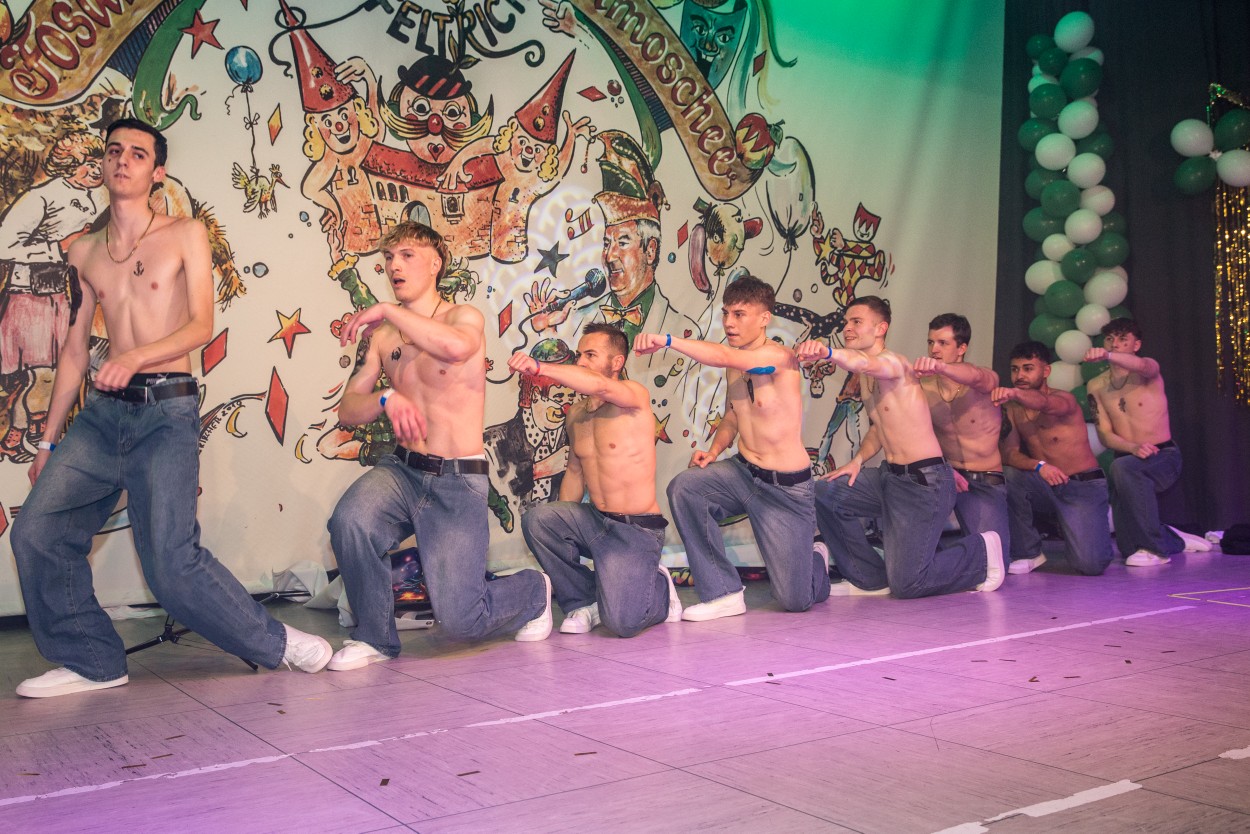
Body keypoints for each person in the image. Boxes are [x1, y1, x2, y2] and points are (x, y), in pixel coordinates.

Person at [11, 119, 332, 698]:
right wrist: (48, 441)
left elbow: (201, 325)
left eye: (138, 154)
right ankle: (92, 661)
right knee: (37, 530)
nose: (122, 160)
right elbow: (74, 351)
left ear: (157, 172)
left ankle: (278, 642)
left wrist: (134, 358)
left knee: (170, 564)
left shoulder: (185, 233)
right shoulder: (83, 251)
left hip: (165, 410)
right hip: (101, 417)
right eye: (114, 151)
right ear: (102, 165)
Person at [326, 221, 550, 671]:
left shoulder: (462, 317)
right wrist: (384, 398)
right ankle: (374, 637)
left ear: (435, 263)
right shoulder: (383, 338)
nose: (394, 265)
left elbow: (455, 348)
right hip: (402, 470)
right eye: (389, 258)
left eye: (407, 255)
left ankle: (533, 591)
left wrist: (386, 310)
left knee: (461, 620)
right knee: (350, 521)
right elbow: (348, 410)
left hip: (456, 480)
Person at [637, 275, 830, 621]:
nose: (728, 322)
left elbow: (722, 355)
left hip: (785, 489)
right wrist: (713, 451)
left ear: (765, 318)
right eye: (726, 313)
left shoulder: (778, 356)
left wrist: (668, 340)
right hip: (744, 472)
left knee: (795, 600)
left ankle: (814, 558)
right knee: (685, 488)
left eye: (739, 314)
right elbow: (732, 415)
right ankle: (723, 592)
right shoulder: (736, 364)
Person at [797, 296, 1003, 598]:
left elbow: (864, 361)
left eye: (856, 322)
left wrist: (827, 352)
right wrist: (857, 460)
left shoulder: (894, 363)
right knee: (826, 492)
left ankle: (981, 553)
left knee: (908, 584)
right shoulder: (866, 376)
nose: (847, 328)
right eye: (846, 322)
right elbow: (879, 429)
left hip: (924, 482)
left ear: (881, 328)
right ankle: (870, 579)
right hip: (890, 477)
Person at [510, 322, 681, 637]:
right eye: (579, 355)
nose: (581, 362)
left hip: (636, 530)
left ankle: (658, 587)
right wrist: (562, 525)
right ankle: (584, 601)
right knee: (539, 519)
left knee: (622, 623)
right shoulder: (577, 414)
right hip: (596, 521)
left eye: (590, 355)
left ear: (617, 362)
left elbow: (601, 386)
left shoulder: (633, 396)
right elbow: (575, 473)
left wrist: (539, 367)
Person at [1085, 318, 1208, 565]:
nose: (1115, 344)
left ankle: (1155, 550)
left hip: (1163, 456)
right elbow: (1105, 434)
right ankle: (1174, 539)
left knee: (1123, 468)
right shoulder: (1096, 385)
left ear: (1136, 345)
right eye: (1109, 339)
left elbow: (1142, 365)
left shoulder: (1148, 370)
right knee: (1128, 548)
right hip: (1127, 458)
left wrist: (1108, 355)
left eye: (1123, 339)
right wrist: (1132, 447)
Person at [993, 341, 1113, 576]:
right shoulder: (1013, 408)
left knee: (1090, 565)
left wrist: (1015, 393)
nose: (1020, 375)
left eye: (1028, 368)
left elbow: (1045, 403)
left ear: (1046, 371)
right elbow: (1009, 454)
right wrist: (1039, 466)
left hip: (1082, 486)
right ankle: (1028, 552)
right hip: (1046, 484)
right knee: (1008, 476)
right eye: (1015, 369)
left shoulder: (1064, 399)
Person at [914, 313, 1011, 562]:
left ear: (962, 348)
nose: (934, 349)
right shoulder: (924, 386)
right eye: (931, 342)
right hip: (945, 476)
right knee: (915, 553)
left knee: (992, 562)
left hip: (983, 480)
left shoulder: (984, 380)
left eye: (943, 343)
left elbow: (976, 376)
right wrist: (945, 468)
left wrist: (941, 368)